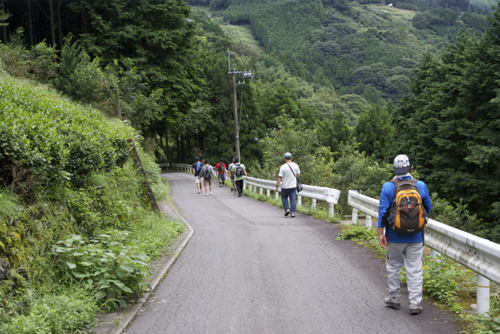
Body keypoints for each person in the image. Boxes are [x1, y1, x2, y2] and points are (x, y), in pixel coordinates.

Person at [378, 154, 432, 315]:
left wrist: (381, 233)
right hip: (416, 236)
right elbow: (428, 207)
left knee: (394, 265)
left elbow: (383, 212)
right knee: (414, 268)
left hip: (394, 235)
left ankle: (394, 299)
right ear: (411, 168)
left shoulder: (388, 186)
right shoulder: (420, 185)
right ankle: (415, 303)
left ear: (394, 169)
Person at [275, 152, 300, 218]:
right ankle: (293, 213)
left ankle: (287, 209)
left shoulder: (283, 167)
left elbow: (280, 177)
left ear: (284, 158)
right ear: (291, 158)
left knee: (284, 197)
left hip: (285, 186)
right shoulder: (296, 165)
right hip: (293, 186)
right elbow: (298, 175)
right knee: (293, 199)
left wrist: (277, 186)